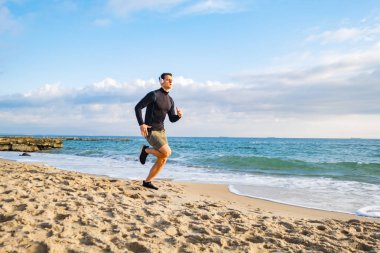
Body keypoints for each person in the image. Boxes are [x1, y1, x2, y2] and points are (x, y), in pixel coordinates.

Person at [134, 73, 183, 190]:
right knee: (167, 152)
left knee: (163, 159)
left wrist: (179, 116)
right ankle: (145, 150)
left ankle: (147, 181)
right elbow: (138, 107)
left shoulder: (170, 100)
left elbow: (172, 119)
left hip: (162, 132)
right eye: (168, 80)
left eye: (172, 80)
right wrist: (141, 124)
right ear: (162, 81)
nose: (171, 82)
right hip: (151, 131)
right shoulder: (154, 95)